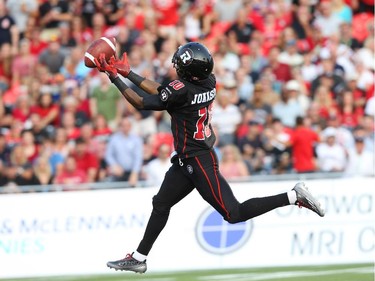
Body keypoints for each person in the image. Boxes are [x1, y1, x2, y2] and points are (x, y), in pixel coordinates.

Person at [94, 42, 325, 274]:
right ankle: (139, 257)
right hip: (186, 160)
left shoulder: (183, 90)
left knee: (234, 213)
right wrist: (129, 73)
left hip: (199, 160)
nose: (176, 65)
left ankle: (294, 196)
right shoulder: (209, 81)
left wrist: (114, 77)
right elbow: (164, 91)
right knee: (161, 203)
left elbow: (141, 102)